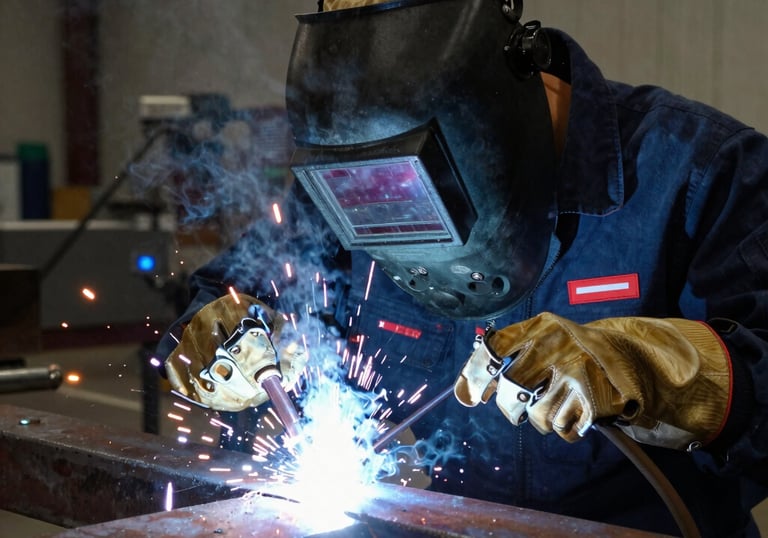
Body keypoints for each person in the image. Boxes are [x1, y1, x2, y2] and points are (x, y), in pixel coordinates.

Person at [156, 0, 768, 535]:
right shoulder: (346, 182)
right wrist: (223, 337)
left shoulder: (701, 172)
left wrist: (646, 368)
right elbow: (230, 295)